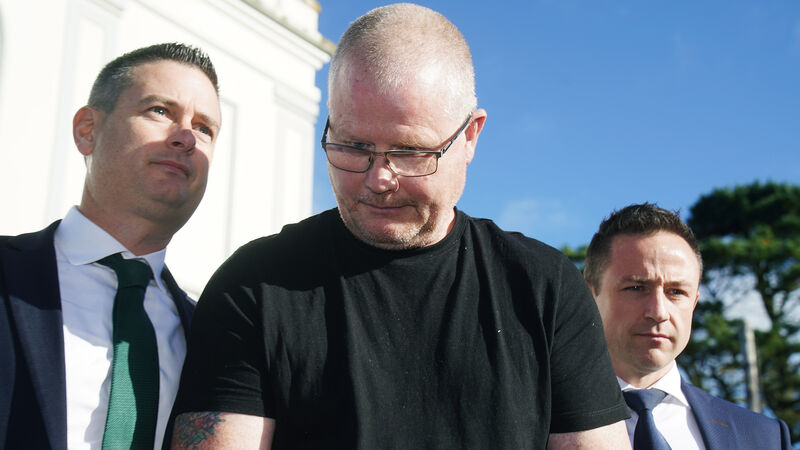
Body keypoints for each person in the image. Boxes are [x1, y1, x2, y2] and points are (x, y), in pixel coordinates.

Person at [170, 4, 630, 449]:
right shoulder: (254, 285)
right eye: (352, 146)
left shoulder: (545, 288)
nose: (378, 179)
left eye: (410, 152)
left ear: (470, 136)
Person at [0, 42, 222, 449]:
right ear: (88, 130)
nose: (187, 137)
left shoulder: (214, 338)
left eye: (204, 128)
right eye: (161, 111)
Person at [584, 203, 793, 450]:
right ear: (588, 297)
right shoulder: (545, 420)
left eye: (676, 292)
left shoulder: (764, 437)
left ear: (694, 303)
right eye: (636, 288)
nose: (658, 312)